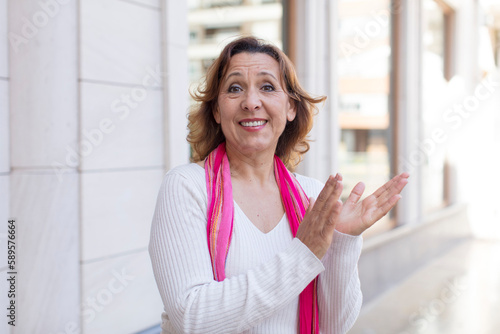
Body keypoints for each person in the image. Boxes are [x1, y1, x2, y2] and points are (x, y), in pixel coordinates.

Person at [149, 36, 409, 334]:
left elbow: (333, 326)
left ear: (291, 108)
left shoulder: (313, 197)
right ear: (217, 111)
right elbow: (193, 317)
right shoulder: (186, 187)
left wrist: (340, 243)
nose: (250, 102)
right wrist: (305, 253)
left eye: (268, 87)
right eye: (235, 88)